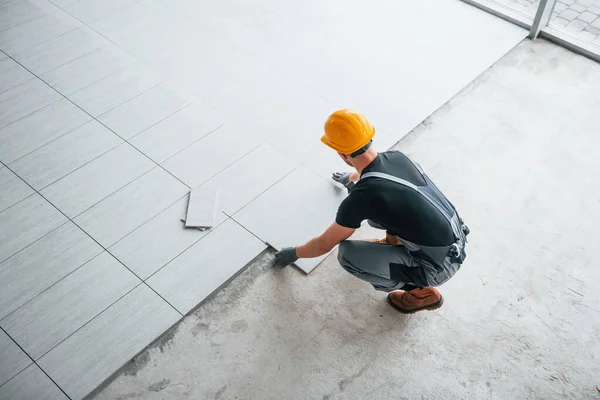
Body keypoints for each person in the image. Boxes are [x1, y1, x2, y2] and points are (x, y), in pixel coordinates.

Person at [274, 109, 469, 314]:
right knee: (379, 216)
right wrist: (350, 178)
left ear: (341, 154)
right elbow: (374, 173)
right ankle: (395, 247)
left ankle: (421, 292)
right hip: (457, 240)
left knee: (349, 255)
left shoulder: (362, 197)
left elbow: (324, 244)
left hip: (437, 267)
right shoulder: (397, 157)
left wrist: (294, 254)